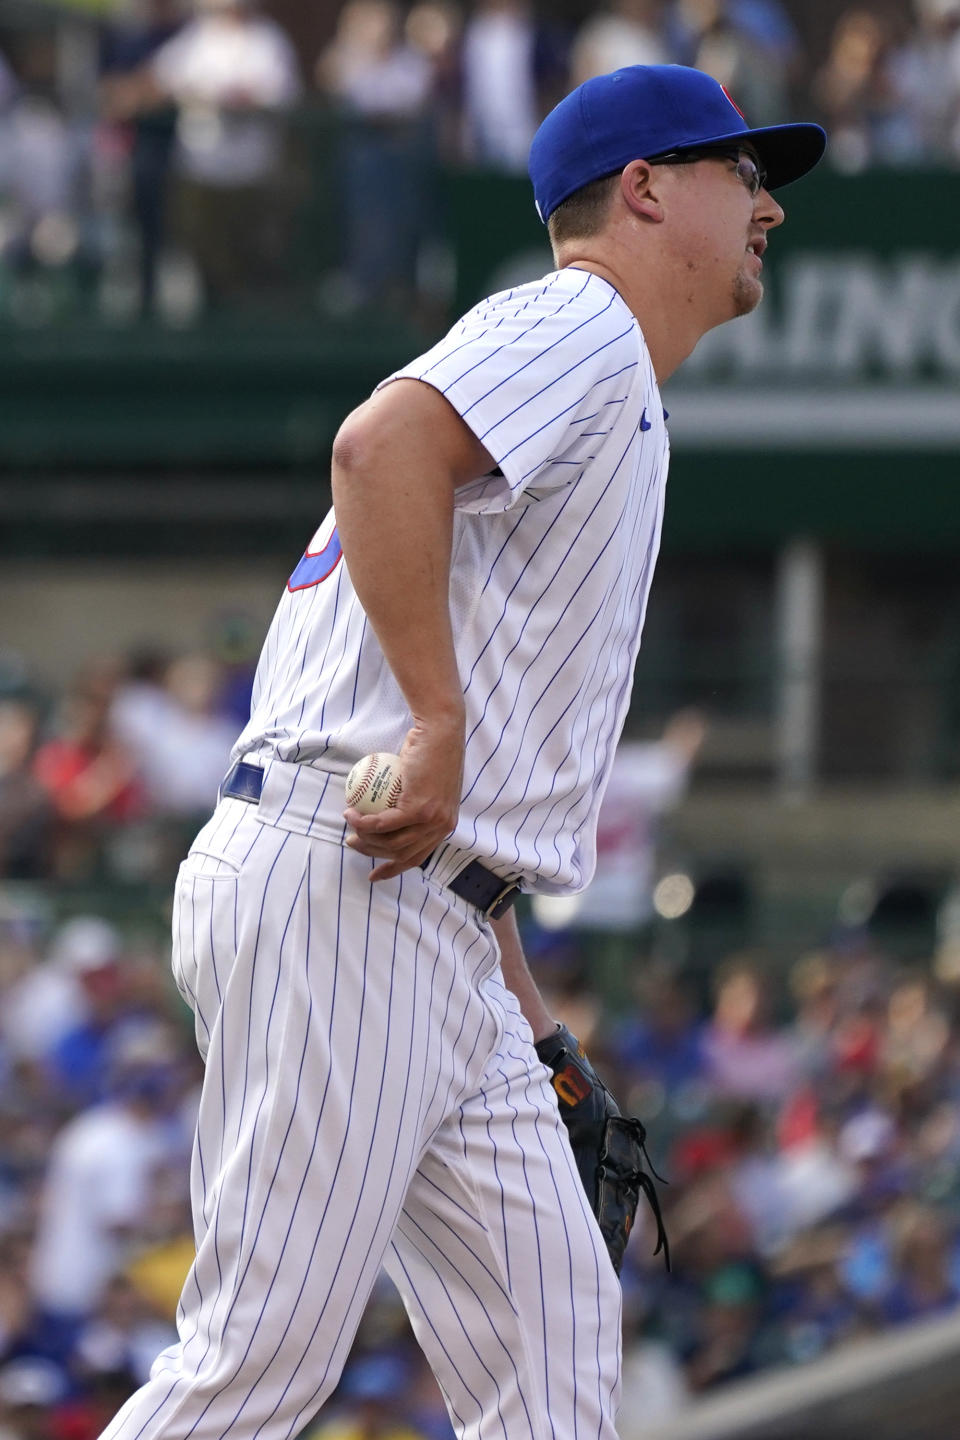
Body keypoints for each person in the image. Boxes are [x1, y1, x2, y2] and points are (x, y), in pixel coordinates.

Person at [98, 64, 825, 1440]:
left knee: (554, 1358)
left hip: (433, 918)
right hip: (350, 887)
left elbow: (476, 793)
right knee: (258, 1364)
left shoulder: (612, 382)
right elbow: (378, 450)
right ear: (645, 188)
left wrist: (535, 1019)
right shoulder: (585, 324)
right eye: (744, 172)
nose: (767, 207)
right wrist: (436, 723)